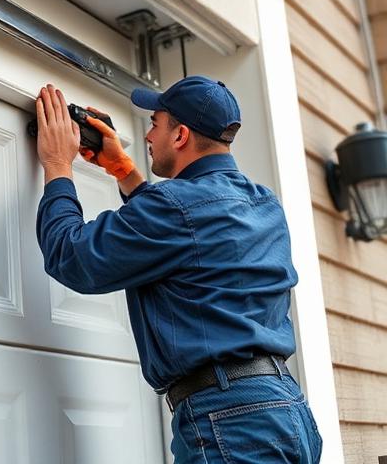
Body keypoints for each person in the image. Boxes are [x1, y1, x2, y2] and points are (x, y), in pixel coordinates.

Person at [34, 76, 322, 463]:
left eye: (155, 123)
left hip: (232, 422)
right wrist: (124, 171)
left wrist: (56, 165)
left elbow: (72, 257)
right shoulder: (263, 203)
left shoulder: (174, 207)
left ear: (181, 135)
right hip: (286, 410)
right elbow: (190, 236)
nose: (148, 136)